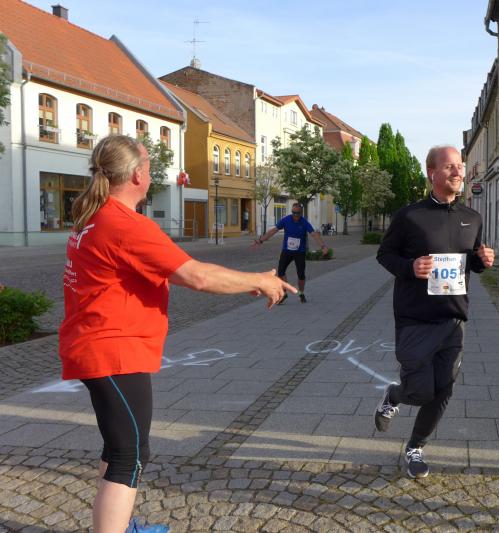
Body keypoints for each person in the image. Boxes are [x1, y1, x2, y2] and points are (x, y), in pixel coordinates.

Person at [59, 135, 295, 533]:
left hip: (98, 346)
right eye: (149, 167)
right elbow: (196, 276)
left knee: (120, 448)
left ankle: (121, 524)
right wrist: (259, 280)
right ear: (137, 175)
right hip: (114, 352)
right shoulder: (125, 225)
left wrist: (247, 281)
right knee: (129, 456)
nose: (152, 175)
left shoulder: (95, 217)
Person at [374, 145, 494, 478]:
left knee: (443, 390)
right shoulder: (409, 216)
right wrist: (410, 267)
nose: (458, 172)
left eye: (460, 166)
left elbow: (472, 261)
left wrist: (483, 260)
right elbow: (385, 255)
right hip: (415, 318)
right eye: (449, 167)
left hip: (453, 319)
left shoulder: (472, 218)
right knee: (419, 390)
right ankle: (394, 395)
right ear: (432, 173)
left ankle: (416, 447)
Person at [254, 202, 328, 304]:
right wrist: (261, 240)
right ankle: (284, 293)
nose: (295, 215)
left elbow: (314, 234)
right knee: (281, 272)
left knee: (301, 275)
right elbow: (274, 230)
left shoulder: (304, 222)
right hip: (287, 251)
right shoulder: (286, 220)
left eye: (297, 213)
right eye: (293, 212)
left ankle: (301, 293)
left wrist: (323, 246)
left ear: (301, 213)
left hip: (300, 252)